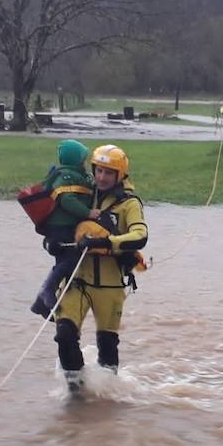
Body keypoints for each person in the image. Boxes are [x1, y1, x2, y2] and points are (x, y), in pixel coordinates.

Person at [54, 144, 148, 392]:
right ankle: (76, 393)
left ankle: (107, 393)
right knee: (64, 335)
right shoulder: (82, 195)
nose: (102, 178)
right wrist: (52, 241)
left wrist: (106, 242)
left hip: (110, 285)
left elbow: (140, 235)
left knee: (107, 346)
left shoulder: (129, 204)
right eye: (98, 171)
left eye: (109, 173)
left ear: (120, 175)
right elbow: (58, 222)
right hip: (76, 281)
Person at [29, 140, 96, 316]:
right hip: (60, 227)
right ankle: (47, 292)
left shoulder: (79, 175)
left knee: (65, 263)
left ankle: (41, 304)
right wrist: (88, 213)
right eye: (83, 159)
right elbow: (67, 200)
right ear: (77, 160)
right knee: (69, 261)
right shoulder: (64, 177)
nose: (85, 163)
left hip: (69, 227)